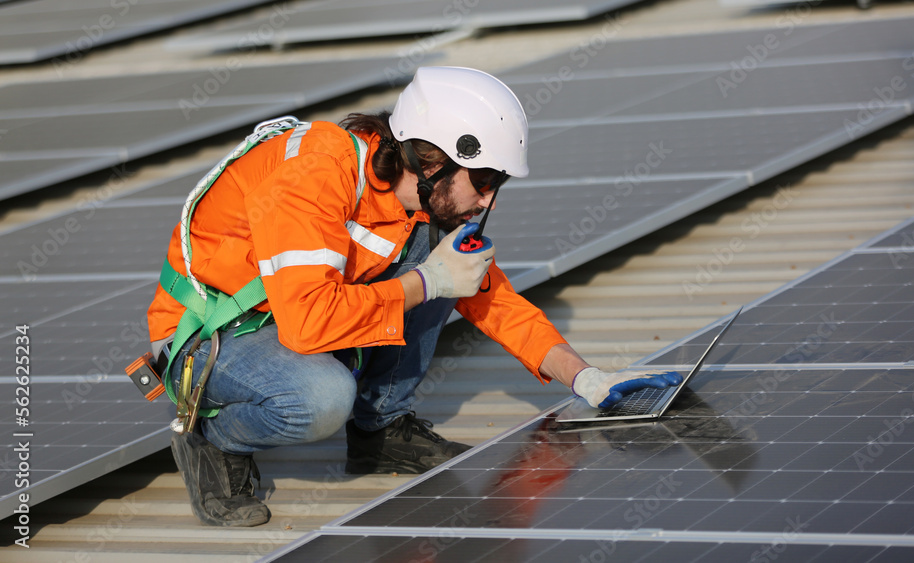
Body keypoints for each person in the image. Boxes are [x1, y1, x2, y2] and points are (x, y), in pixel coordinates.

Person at [146, 66, 681, 527]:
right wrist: (428, 282)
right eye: (486, 178)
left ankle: (381, 428)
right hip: (211, 337)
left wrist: (585, 377)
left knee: (452, 261)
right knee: (321, 399)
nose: (490, 197)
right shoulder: (314, 175)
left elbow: (490, 296)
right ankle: (214, 439)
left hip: (284, 317)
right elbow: (307, 325)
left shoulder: (418, 204)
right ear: (434, 162)